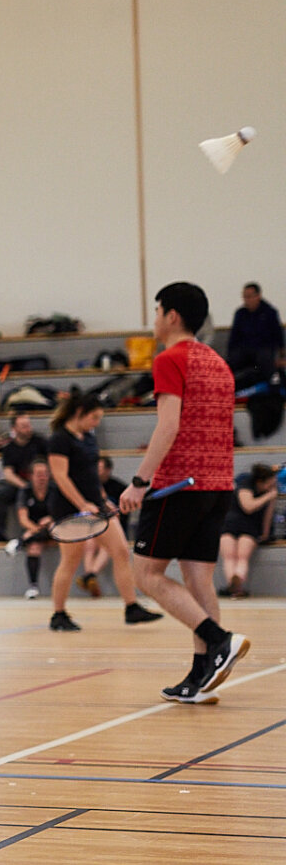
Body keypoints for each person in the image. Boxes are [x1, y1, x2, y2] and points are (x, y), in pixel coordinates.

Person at [120, 282, 251, 704]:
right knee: (198, 579)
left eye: (158, 310)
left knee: (146, 575)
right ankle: (201, 676)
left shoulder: (169, 359)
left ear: (172, 315)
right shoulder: (218, 363)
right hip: (218, 485)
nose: (155, 319)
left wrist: (140, 481)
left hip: (178, 485)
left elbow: (169, 425)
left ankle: (218, 640)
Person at [44, 390, 158, 632]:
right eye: (94, 417)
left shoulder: (88, 438)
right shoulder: (59, 439)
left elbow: (92, 477)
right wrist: (82, 505)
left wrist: (104, 500)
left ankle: (131, 608)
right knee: (70, 560)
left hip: (96, 505)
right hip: (69, 509)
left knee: (121, 551)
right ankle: (58, 614)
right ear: (79, 412)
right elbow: (61, 477)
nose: (96, 423)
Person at [217, 461, 277, 599]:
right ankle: (237, 586)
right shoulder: (246, 484)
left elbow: (269, 515)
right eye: (270, 483)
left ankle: (233, 585)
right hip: (236, 523)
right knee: (236, 557)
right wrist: (268, 497)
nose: (272, 485)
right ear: (260, 481)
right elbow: (248, 506)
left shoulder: (269, 491)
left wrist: (265, 533)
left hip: (242, 525)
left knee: (236, 557)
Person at [78, 455, 129, 596]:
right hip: (93, 527)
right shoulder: (89, 488)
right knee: (90, 543)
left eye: (99, 468)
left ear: (108, 470)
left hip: (114, 528)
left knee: (107, 546)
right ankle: (91, 576)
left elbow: (123, 514)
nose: (96, 471)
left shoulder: (119, 488)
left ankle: (90, 575)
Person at [8, 458, 56, 600]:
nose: (42, 478)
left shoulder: (55, 489)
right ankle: (33, 587)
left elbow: (63, 513)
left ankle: (20, 542)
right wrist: (36, 529)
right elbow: (23, 519)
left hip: (55, 528)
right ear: (31, 476)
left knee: (53, 527)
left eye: (45, 474)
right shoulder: (25, 491)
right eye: (39, 474)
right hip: (35, 530)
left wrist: (50, 518)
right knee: (34, 548)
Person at [0, 413, 48, 537]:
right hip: (21, 483)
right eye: (23, 426)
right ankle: (0, 533)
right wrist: (24, 486)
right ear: (14, 429)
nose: (28, 429)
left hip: (42, 482)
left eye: (28, 425)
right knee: (2, 495)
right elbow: (8, 474)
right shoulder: (9, 448)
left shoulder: (40, 442)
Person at [225, 282, 283, 380]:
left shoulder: (270, 313)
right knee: (231, 361)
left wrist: (281, 355)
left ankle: (274, 385)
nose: (246, 300)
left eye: (249, 296)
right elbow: (234, 337)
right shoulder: (240, 313)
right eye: (245, 297)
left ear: (258, 296)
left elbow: (278, 335)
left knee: (265, 359)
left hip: (264, 350)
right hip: (244, 350)